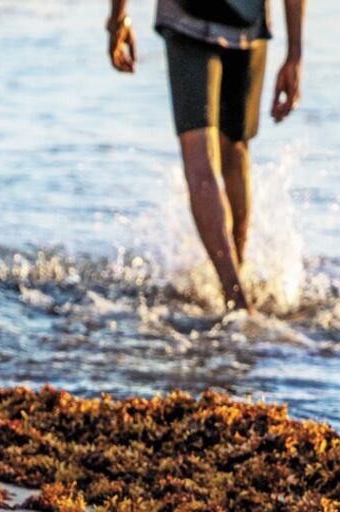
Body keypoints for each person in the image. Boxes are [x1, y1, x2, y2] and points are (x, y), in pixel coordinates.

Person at [106, 0, 305, 313]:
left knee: (201, 162)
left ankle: (235, 297)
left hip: (188, 20)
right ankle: (237, 286)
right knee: (236, 157)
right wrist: (295, 54)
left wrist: (118, 19)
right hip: (247, 24)